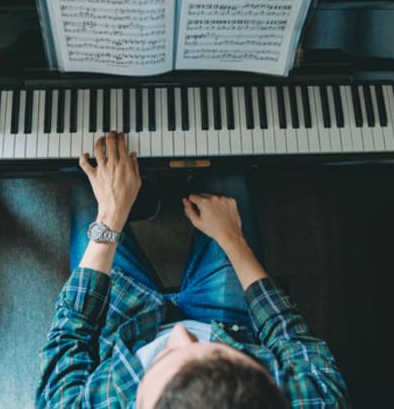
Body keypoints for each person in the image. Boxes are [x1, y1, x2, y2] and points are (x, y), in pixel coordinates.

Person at [37, 132, 350, 408]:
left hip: (121, 330)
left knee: (87, 172)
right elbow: (287, 332)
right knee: (228, 155)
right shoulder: (315, 402)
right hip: (230, 324)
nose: (180, 333)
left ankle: (139, 201)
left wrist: (110, 216)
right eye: (221, 356)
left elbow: (70, 335)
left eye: (167, 357)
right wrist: (232, 238)